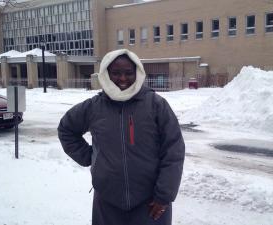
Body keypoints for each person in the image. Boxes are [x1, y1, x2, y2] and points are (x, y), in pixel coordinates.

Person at [58, 49, 185, 225]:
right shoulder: (94, 107)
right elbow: (66, 129)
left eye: (128, 73)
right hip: (107, 202)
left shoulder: (156, 105)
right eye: (116, 73)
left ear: (137, 73)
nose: (123, 78)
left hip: (150, 203)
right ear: (106, 74)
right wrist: (91, 157)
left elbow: (174, 151)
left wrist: (164, 196)